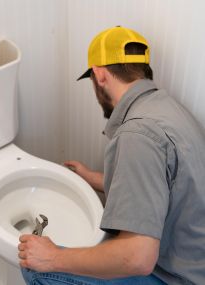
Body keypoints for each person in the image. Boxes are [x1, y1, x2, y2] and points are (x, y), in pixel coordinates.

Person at [18, 26, 205, 285]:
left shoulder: (137, 135)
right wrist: (92, 177)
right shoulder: (169, 110)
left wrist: (51, 257)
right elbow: (160, 188)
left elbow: (137, 257)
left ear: (99, 74)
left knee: (34, 268)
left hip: (174, 278)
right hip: (195, 264)